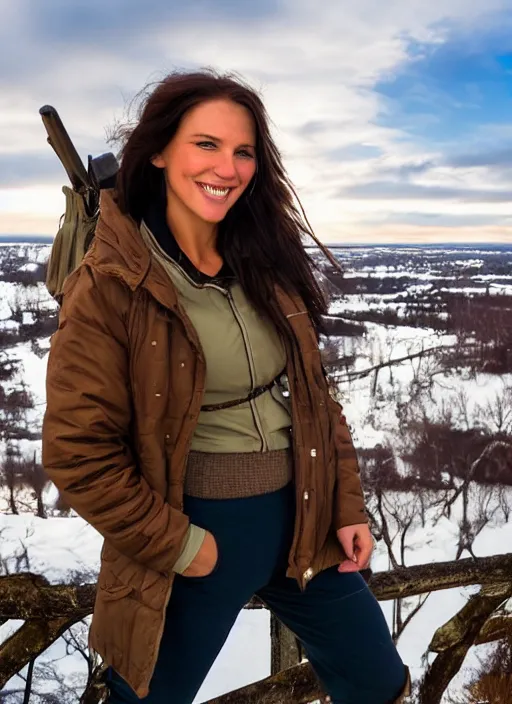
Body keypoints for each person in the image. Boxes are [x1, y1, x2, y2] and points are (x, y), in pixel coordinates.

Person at [42, 69, 410, 704]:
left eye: (243, 151)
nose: (228, 167)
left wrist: (345, 505)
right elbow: (77, 453)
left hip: (303, 520)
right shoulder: (111, 282)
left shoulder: (263, 262)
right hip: (194, 534)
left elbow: (315, 400)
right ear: (158, 152)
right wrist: (186, 548)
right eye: (206, 144)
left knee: (378, 682)